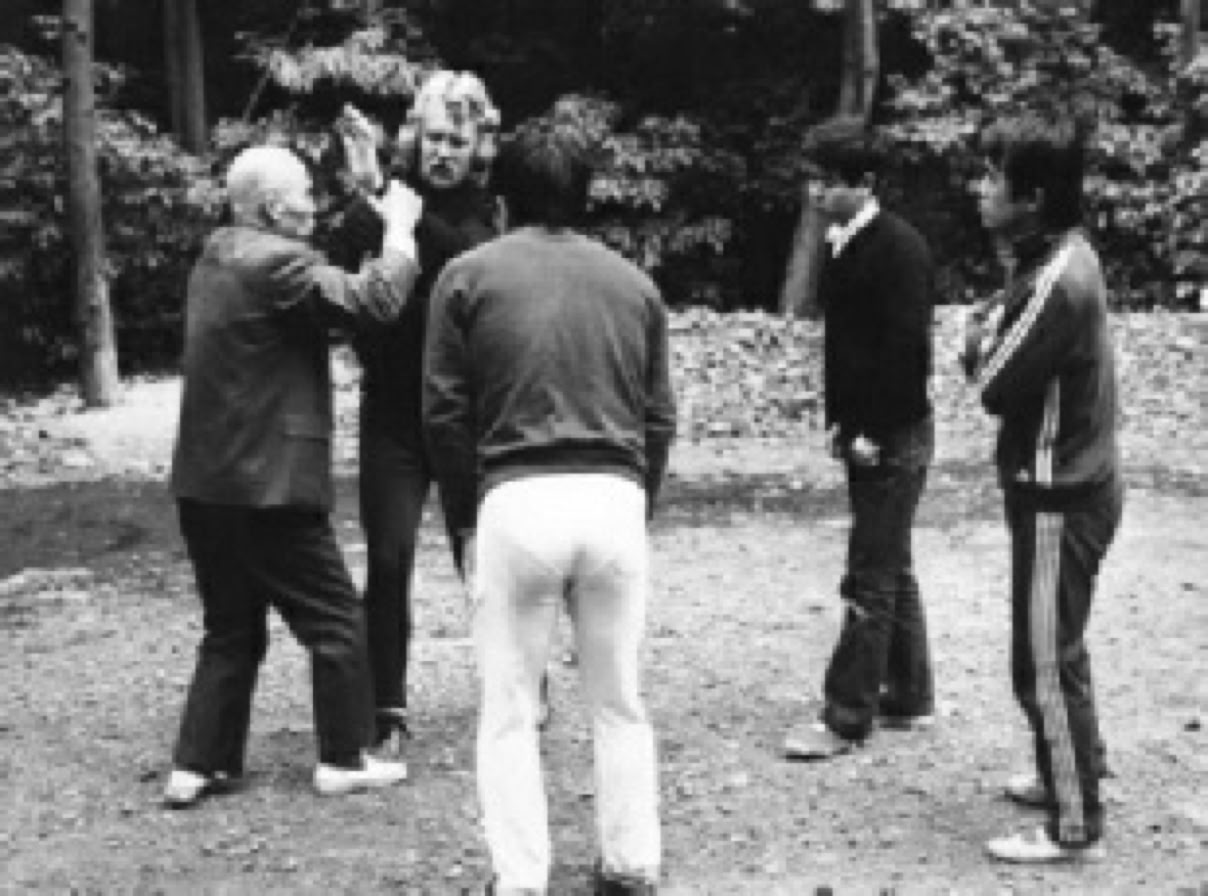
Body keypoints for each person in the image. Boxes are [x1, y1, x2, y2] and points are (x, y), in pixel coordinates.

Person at [423, 119, 676, 895]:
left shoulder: (466, 277)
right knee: (618, 697)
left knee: (507, 707)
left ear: (502, 201)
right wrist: (641, 500)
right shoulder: (634, 285)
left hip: (516, 496)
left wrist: (467, 518)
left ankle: (521, 876)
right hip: (612, 495)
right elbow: (659, 416)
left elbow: (443, 412)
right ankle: (631, 860)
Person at [162, 145, 423, 808]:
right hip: (268, 484)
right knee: (337, 620)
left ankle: (198, 764)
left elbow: (322, 278)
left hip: (204, 483)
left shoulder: (218, 253)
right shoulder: (278, 261)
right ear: (276, 209)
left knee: (230, 626)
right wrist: (397, 229)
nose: (315, 199)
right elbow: (375, 299)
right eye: (306, 190)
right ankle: (344, 755)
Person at [963, 114, 1123, 863]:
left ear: (1029, 196)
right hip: (1067, 484)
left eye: (992, 176)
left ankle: (1073, 823)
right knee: (1053, 648)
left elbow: (993, 383)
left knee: (1043, 660)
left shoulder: (1056, 278)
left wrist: (973, 339)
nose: (979, 188)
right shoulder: (1055, 254)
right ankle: (1071, 770)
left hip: (1062, 494)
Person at [333, 71, 501, 755]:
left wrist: (388, 206)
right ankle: (387, 709)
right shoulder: (385, 199)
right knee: (391, 557)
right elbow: (347, 270)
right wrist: (371, 203)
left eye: (456, 140)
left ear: (477, 144)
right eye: (432, 137)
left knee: (482, 556)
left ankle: (518, 683)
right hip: (393, 413)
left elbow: (465, 260)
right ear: (414, 136)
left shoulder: (489, 209)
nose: (442, 152)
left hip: (463, 415)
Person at [782, 133, 938, 761]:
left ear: (865, 182)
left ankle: (847, 713)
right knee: (890, 560)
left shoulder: (900, 249)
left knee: (869, 572)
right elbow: (849, 349)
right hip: (866, 429)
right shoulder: (841, 243)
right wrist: (841, 421)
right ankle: (908, 691)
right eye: (814, 180)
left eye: (830, 181)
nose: (818, 193)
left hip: (894, 432)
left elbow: (906, 351)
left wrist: (873, 428)